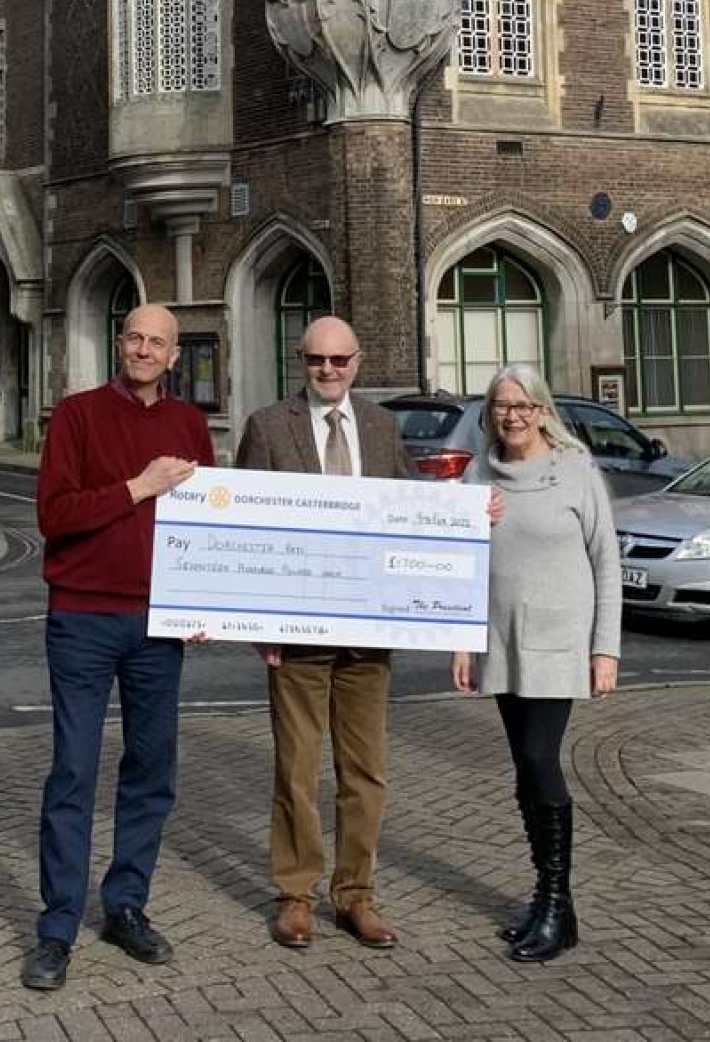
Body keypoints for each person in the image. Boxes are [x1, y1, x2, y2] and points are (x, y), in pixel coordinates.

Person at [22, 304, 214, 992]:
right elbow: (55, 515)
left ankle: (126, 904)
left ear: (171, 356)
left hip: (159, 625)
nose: (142, 348)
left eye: (155, 342)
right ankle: (57, 926)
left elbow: (209, 528)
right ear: (120, 344)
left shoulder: (189, 425)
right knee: (73, 771)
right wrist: (139, 487)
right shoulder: (75, 415)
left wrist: (204, 603)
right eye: (133, 336)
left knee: (151, 769)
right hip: (81, 618)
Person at [234, 316, 413, 951]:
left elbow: (410, 514)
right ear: (300, 361)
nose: (329, 371)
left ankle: (356, 896)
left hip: (368, 634)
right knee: (298, 770)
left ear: (358, 362)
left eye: (340, 361)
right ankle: (295, 895)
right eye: (317, 361)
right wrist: (259, 623)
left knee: (367, 773)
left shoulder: (381, 426)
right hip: (298, 633)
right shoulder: (267, 426)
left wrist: (474, 516)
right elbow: (247, 531)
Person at [452, 363, 620, 964]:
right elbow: (463, 561)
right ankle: (551, 903)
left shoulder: (575, 473)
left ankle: (556, 899)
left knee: (538, 759)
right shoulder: (480, 473)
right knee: (524, 769)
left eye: (524, 405)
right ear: (489, 413)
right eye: (502, 406)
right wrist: (464, 642)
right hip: (502, 640)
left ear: (544, 410)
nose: (513, 415)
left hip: (558, 642)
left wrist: (606, 649)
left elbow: (605, 563)